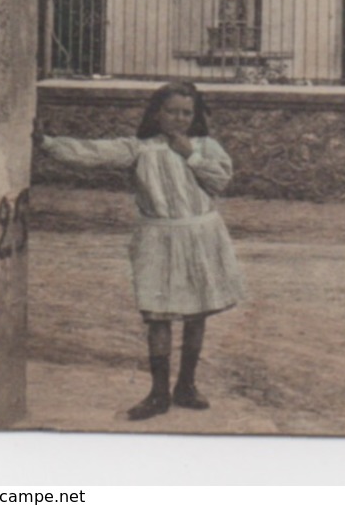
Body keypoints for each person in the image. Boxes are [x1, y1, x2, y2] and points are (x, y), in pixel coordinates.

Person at [35, 81, 245, 421]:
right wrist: (46, 144)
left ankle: (186, 385)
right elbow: (93, 153)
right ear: (156, 114)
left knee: (197, 312)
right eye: (172, 111)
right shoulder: (139, 149)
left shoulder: (206, 146)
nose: (179, 119)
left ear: (196, 116)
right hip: (157, 238)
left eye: (187, 113)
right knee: (158, 313)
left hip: (201, 235)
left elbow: (221, 180)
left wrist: (189, 152)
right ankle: (158, 393)